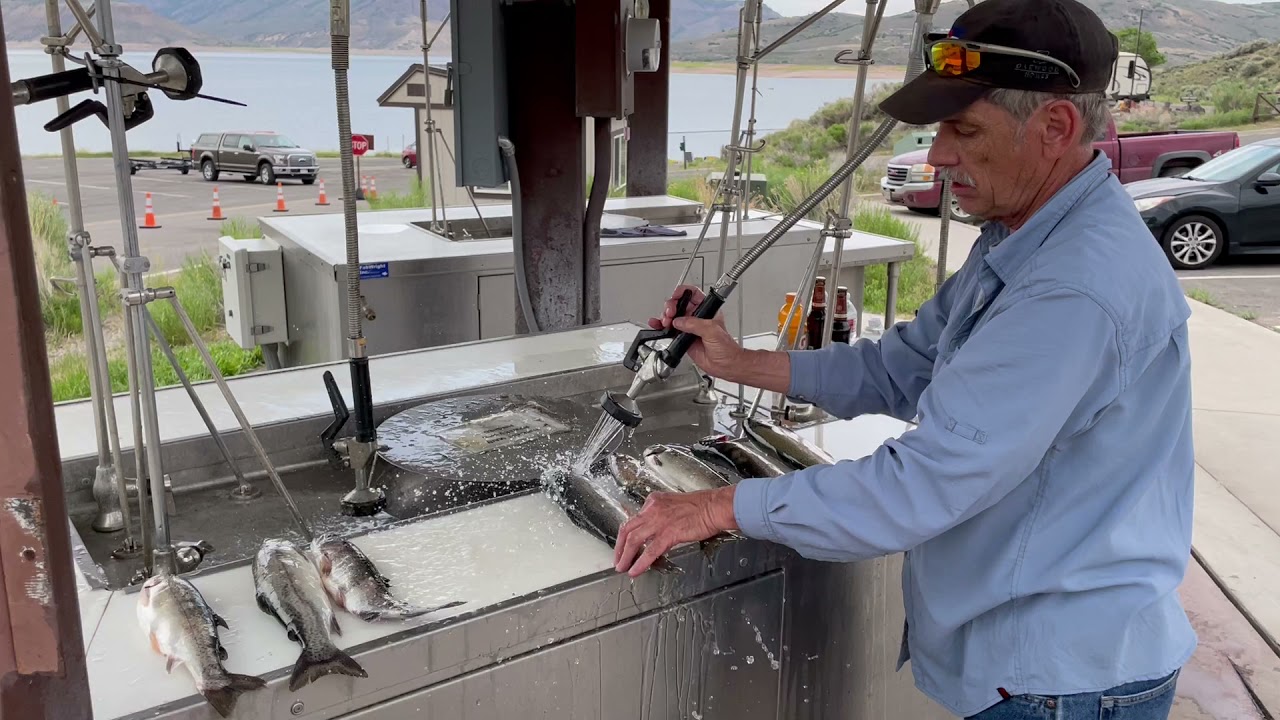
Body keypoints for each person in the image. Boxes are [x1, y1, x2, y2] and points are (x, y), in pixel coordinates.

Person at [612, 0, 1198, 718]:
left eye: (964, 129)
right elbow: (904, 366)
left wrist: (717, 505)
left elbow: (924, 483)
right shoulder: (1024, 234)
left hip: (1061, 681)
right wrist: (740, 363)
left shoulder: (1072, 286)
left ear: (1055, 128)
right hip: (1037, 659)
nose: (939, 156)